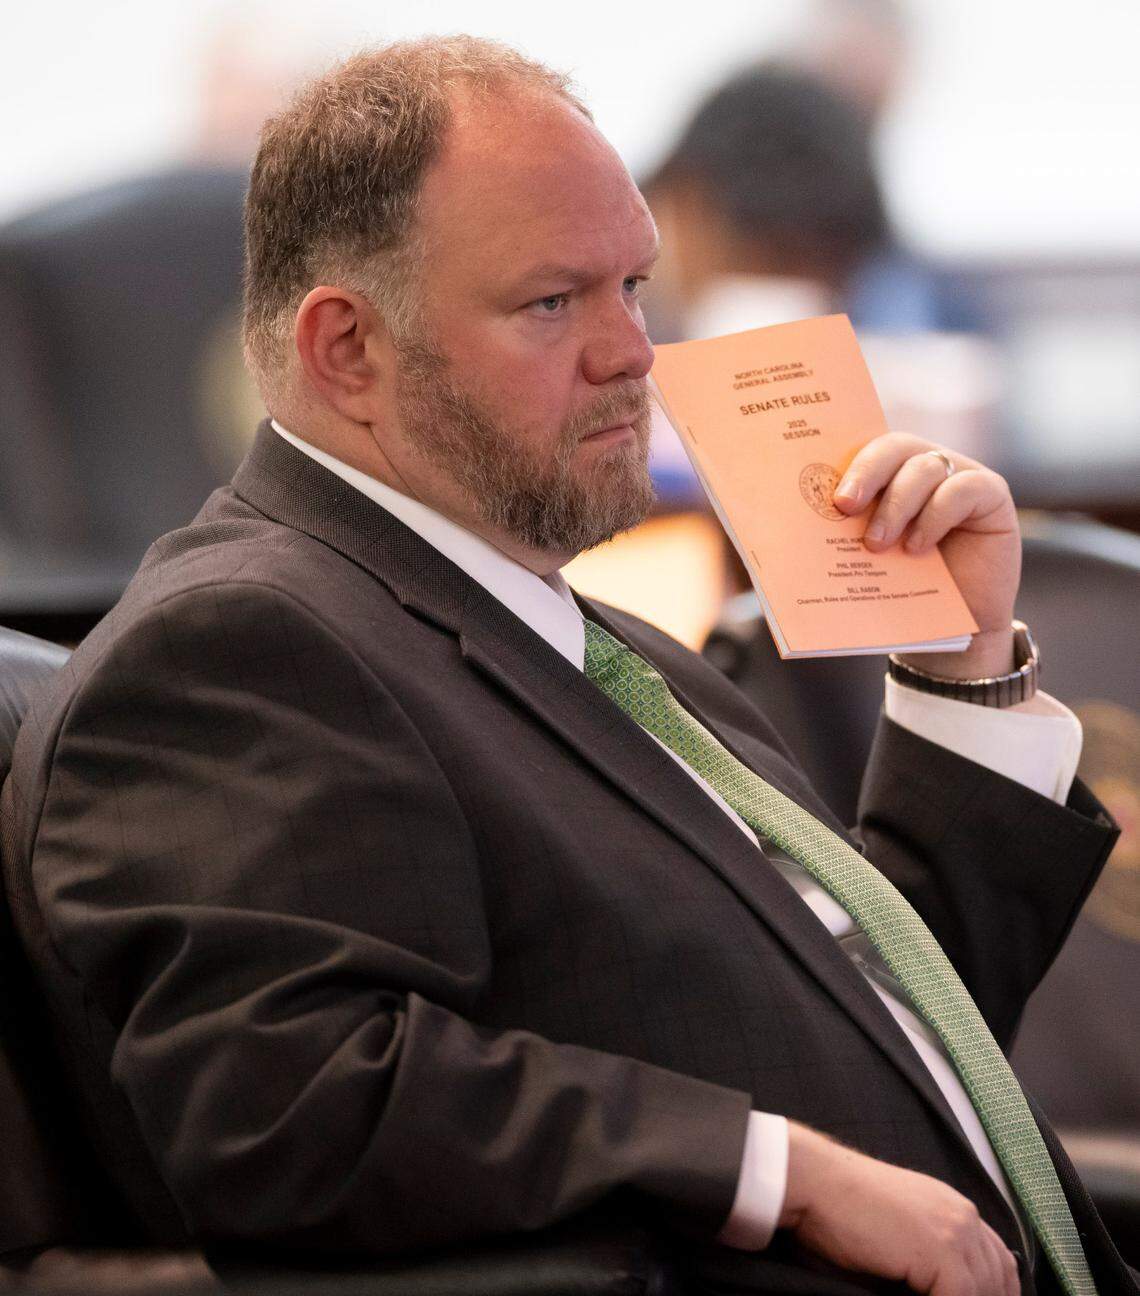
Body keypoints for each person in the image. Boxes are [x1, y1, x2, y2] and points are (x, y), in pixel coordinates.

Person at [2, 36, 1132, 1296]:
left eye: (636, 286)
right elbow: (294, 1101)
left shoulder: (593, 638)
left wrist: (960, 669)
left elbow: (897, 1019)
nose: (634, 352)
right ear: (347, 352)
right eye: (553, 302)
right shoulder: (239, 648)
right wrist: (778, 1173)